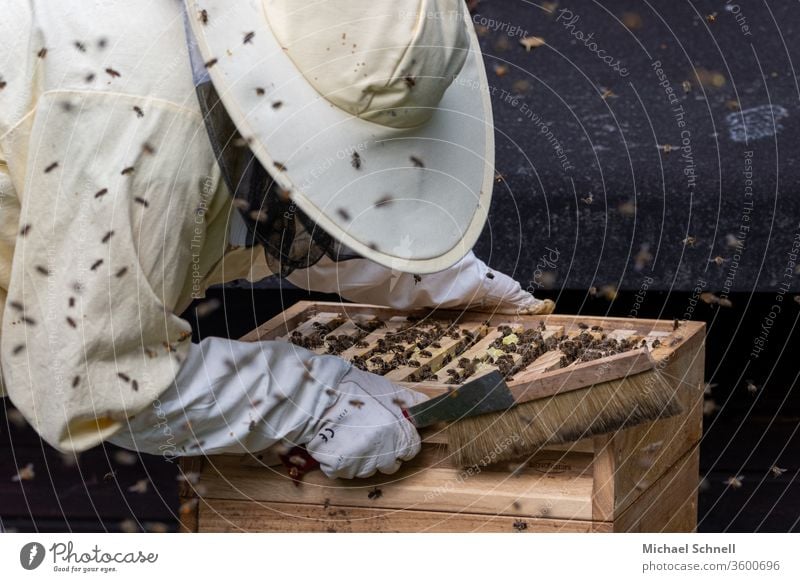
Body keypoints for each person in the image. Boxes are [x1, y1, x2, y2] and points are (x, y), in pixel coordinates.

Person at [0, 0, 553, 479]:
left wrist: (424, 271)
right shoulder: (152, 133)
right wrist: (315, 399)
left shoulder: (218, 56)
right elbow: (90, 379)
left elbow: (261, 204)